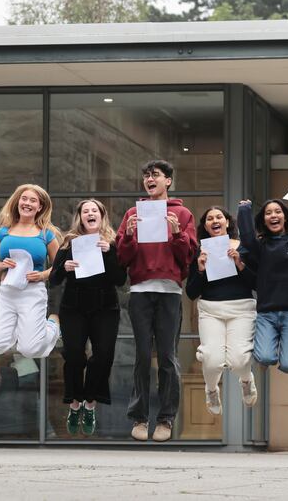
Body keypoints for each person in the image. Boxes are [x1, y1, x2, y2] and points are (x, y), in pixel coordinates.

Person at [116, 160, 197, 443]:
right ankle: (139, 418)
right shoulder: (132, 214)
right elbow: (122, 258)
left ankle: (165, 418)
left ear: (168, 181)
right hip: (140, 291)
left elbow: (187, 257)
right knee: (141, 356)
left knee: (167, 357)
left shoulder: (183, 214)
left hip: (169, 293)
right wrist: (127, 237)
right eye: (146, 176)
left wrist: (177, 233)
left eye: (156, 175)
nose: (150, 179)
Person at [49, 199, 127, 436]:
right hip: (74, 307)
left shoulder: (112, 243)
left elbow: (120, 280)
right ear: (80, 217)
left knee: (103, 355)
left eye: (95, 211)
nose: (90, 214)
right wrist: (66, 268)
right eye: (86, 211)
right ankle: (74, 404)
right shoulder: (69, 242)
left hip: (105, 308)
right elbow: (53, 279)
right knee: (73, 355)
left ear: (102, 216)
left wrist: (109, 253)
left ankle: (90, 403)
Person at [185, 206, 257, 416]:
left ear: (227, 222)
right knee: (212, 359)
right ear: (205, 226)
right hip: (211, 310)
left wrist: (239, 264)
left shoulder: (243, 248)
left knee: (240, 360)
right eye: (209, 218)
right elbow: (191, 292)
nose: (214, 221)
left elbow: (257, 284)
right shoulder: (200, 252)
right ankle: (211, 390)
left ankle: (246, 380)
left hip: (242, 309)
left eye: (219, 217)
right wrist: (199, 270)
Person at [0, 184, 61, 360]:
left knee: (30, 350)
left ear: (39, 207)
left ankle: (53, 326)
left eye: (33, 200)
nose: (27, 203)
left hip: (32, 292)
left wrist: (42, 275)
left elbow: (58, 266)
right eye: (24, 199)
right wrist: (2, 265)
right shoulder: (3, 232)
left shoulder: (46, 234)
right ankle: (19, 329)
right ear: (18, 202)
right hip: (7, 291)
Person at [237, 196, 288, 376]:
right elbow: (248, 240)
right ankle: (277, 344)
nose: (273, 215)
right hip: (266, 313)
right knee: (264, 357)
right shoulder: (261, 246)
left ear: (285, 217)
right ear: (263, 220)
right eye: (268, 213)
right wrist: (244, 210)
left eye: (278, 212)